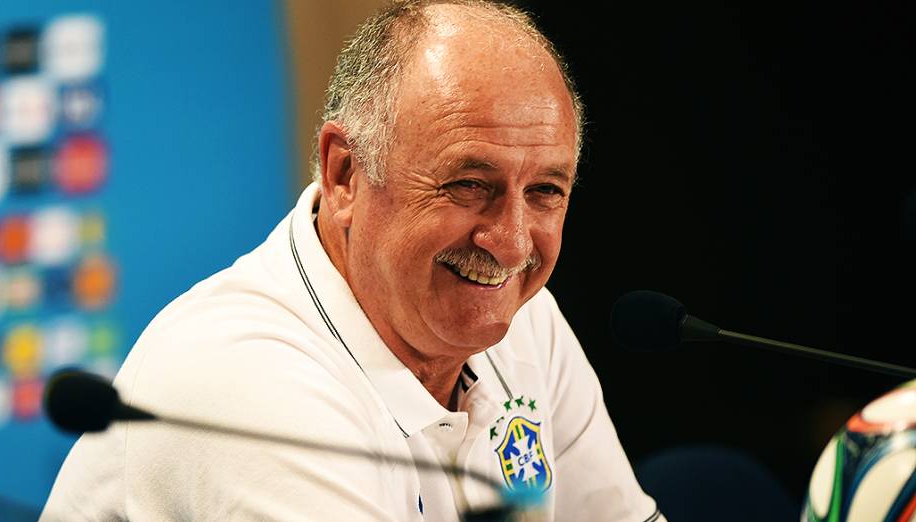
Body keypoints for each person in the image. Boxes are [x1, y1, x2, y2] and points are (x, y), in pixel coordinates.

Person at [41, 1, 663, 520]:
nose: (512, 242)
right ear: (345, 174)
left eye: (545, 192)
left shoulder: (526, 322)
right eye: (469, 184)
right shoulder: (248, 377)